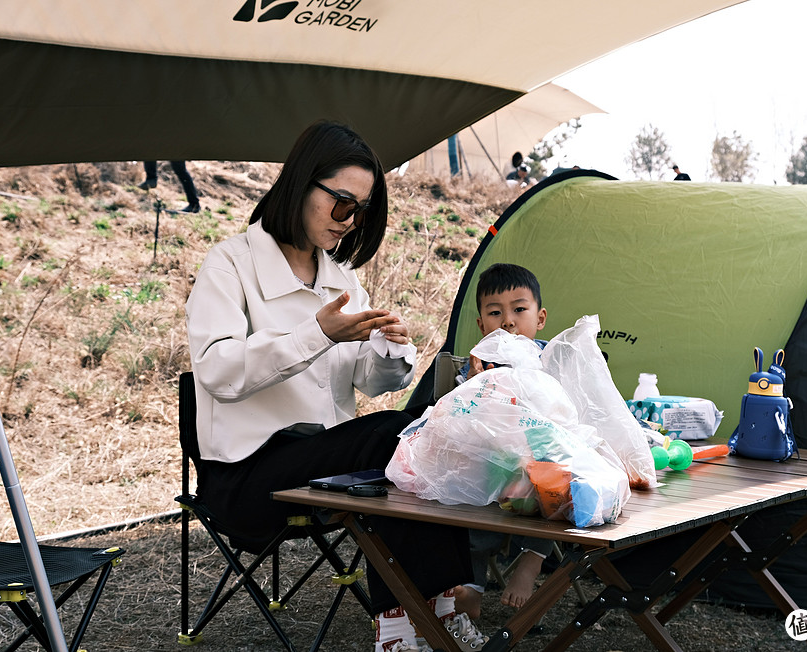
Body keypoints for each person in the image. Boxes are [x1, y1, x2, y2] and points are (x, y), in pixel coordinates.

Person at [185, 120, 487, 652]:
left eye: (362, 210)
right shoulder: (230, 263)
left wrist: (391, 351)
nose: (350, 221)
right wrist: (316, 332)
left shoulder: (339, 277)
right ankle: (407, 626)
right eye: (342, 203)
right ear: (303, 184)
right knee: (395, 436)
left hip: (324, 463)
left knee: (422, 431)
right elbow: (217, 371)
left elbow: (368, 381)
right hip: (246, 477)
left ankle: (431, 613)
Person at [451, 263, 556, 618]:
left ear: (539, 318)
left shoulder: (550, 361)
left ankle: (532, 560)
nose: (508, 321)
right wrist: (474, 386)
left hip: (540, 462)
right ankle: (473, 588)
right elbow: (460, 420)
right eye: (495, 312)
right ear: (482, 325)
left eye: (519, 310)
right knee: (464, 486)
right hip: (490, 463)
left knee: (557, 480)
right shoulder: (477, 366)